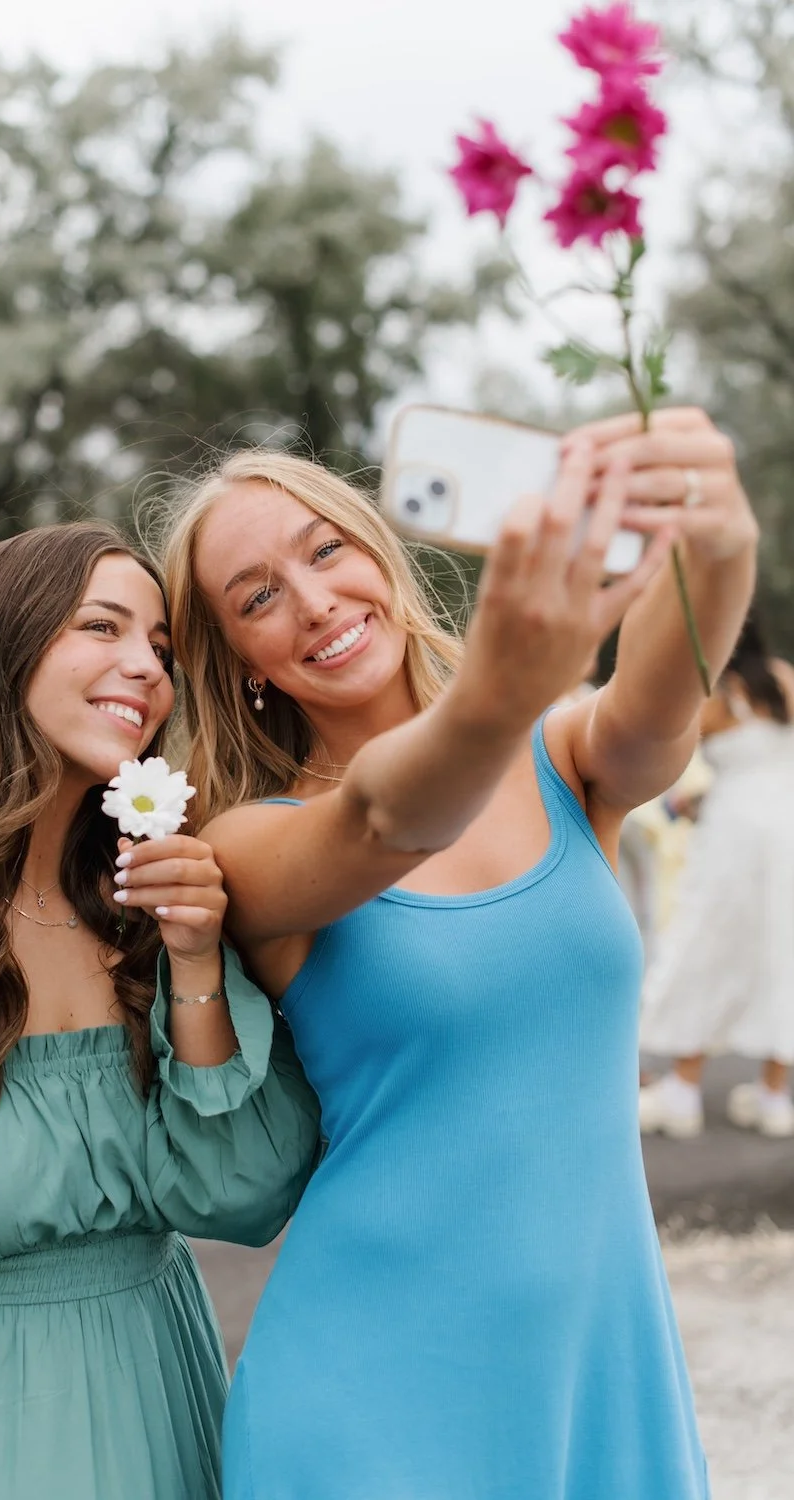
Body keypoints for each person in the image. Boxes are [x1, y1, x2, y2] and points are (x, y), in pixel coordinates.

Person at [153, 408, 757, 1500]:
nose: (314, 601)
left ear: (376, 550)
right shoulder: (246, 845)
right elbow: (387, 819)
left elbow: (662, 706)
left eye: (324, 550)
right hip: (371, 1404)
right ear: (241, 663)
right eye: (258, 597)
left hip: (595, 1371)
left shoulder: (564, 754)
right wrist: (502, 686)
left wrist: (718, 546)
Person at [0, 522, 320, 1500]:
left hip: (155, 1408)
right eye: (102, 626)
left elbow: (239, 1199)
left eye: (160, 648)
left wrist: (196, 957)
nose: (146, 669)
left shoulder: (147, 907)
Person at [639, 612, 794, 1139]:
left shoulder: (717, 688)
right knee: (781, 949)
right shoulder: (782, 680)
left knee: (710, 940)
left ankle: (682, 1090)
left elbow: (669, 742)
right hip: (787, 828)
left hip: (735, 834)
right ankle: (775, 1096)